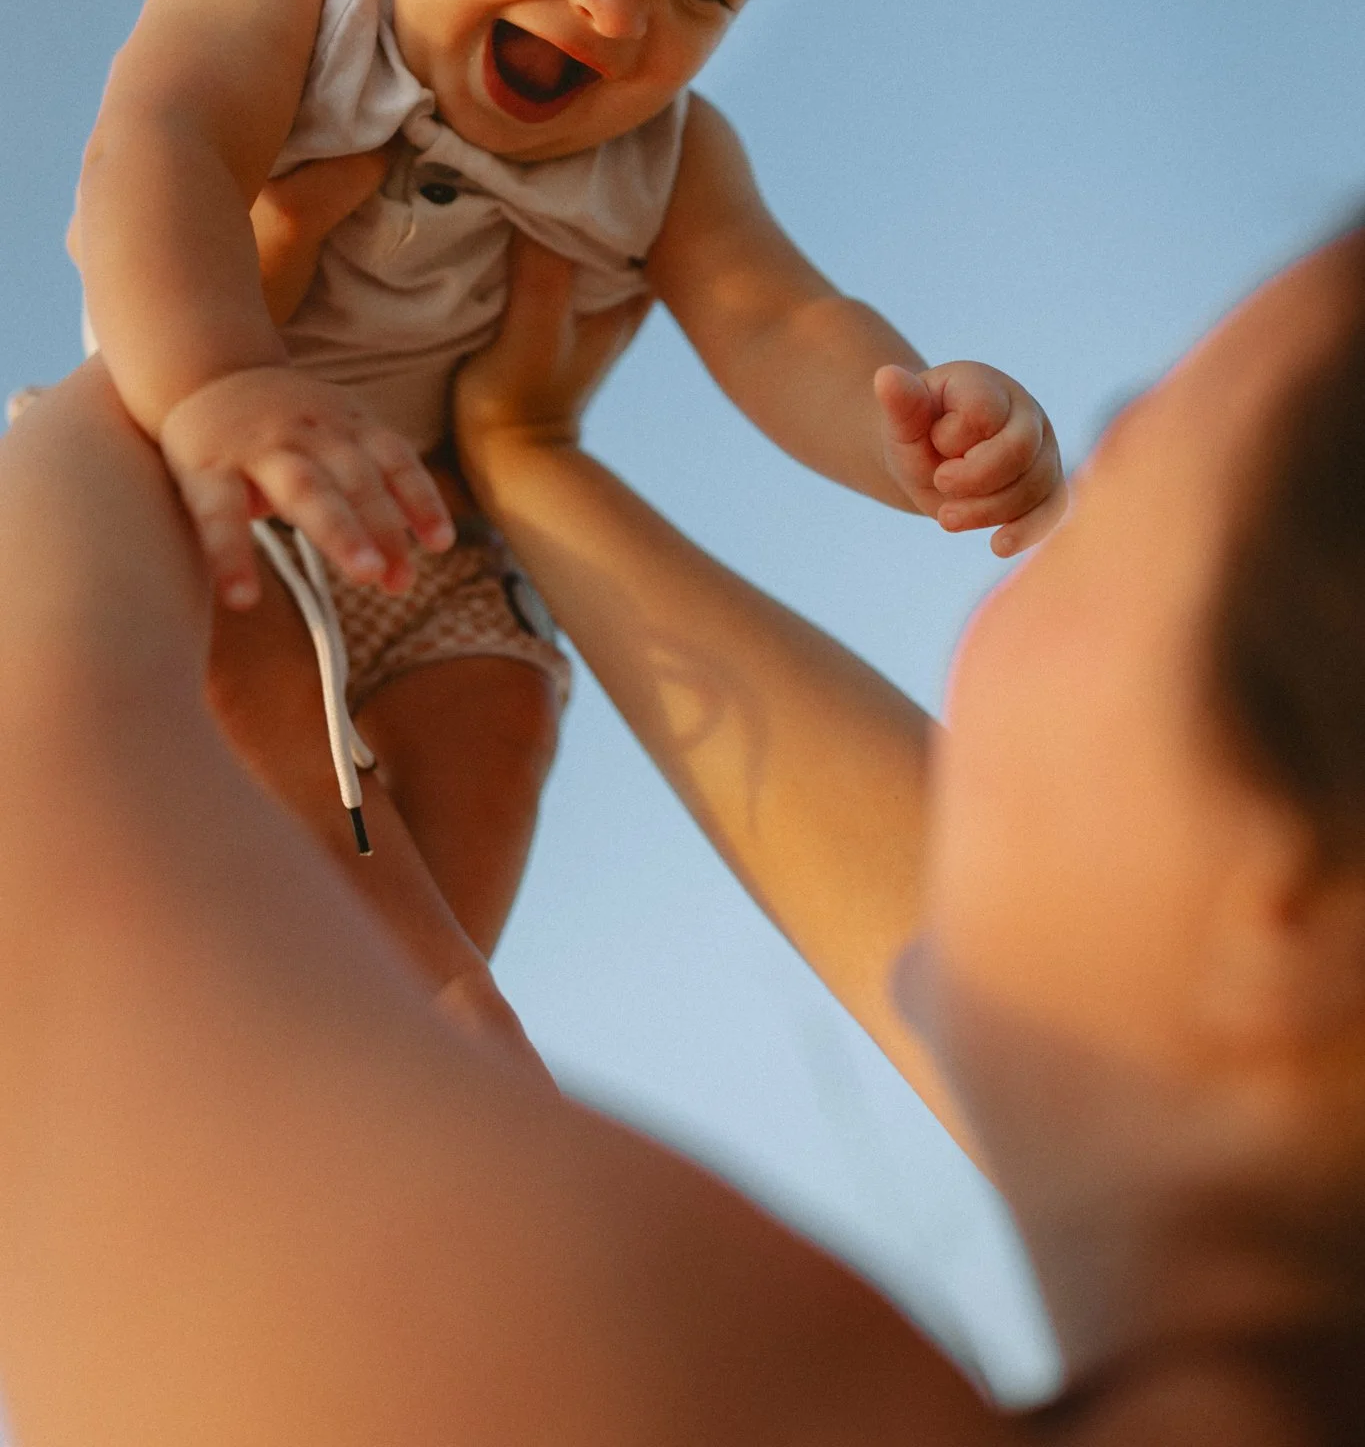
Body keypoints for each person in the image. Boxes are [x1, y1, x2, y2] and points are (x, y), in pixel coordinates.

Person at [0, 220, 1361, 1443]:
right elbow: (1006, 924)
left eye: (1117, 483)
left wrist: (157, 376)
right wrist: (526, 458)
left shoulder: (692, 1392)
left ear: (1304, 909)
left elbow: (40, 816)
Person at [70, 0, 1064, 999]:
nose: (614, 14)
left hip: (433, 535)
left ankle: (424, 1021)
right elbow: (160, 151)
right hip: (194, 459)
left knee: (501, 713)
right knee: (198, 687)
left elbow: (779, 317)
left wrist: (911, 419)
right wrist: (215, 383)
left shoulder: (669, 159)